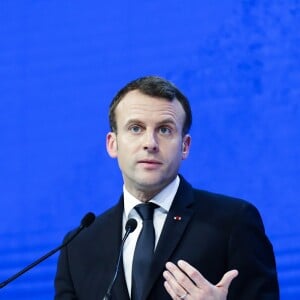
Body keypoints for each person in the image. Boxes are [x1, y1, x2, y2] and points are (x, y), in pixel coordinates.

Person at [54, 76, 279, 300]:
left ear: (185, 146)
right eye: (135, 128)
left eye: (164, 130)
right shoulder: (79, 246)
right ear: (112, 144)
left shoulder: (233, 222)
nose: (150, 143)